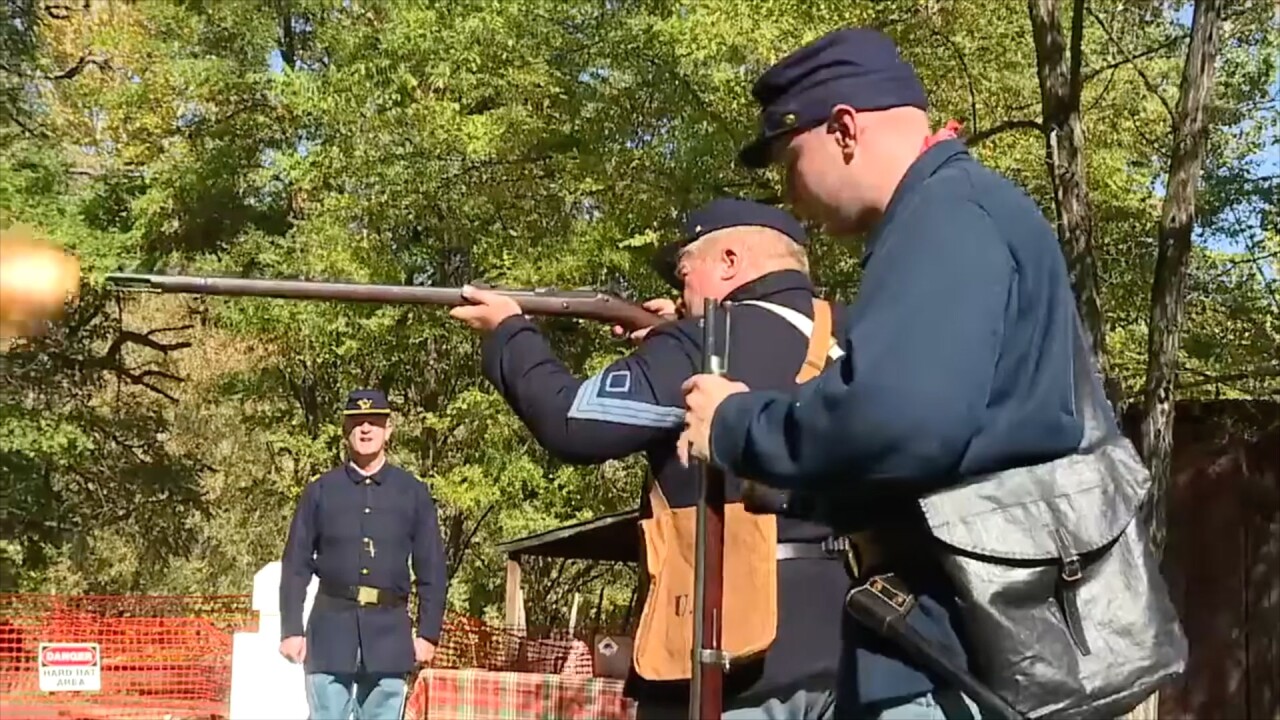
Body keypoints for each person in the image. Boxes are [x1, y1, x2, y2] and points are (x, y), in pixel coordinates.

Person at [678, 26, 1094, 719]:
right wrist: (792, 485)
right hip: (960, 647)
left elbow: (900, 420)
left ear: (843, 128)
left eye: (791, 164)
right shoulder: (963, 210)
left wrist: (735, 423)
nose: (792, 196)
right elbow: (945, 448)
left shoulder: (943, 216)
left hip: (950, 657)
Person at [449, 197, 850, 719]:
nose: (681, 293)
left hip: (732, 651)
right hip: (853, 647)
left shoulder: (698, 344)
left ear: (729, 261)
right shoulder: (856, 331)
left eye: (686, 274)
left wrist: (511, 333)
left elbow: (572, 422)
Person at [279, 389, 449, 720]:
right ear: (346, 431)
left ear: (389, 430)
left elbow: (431, 569)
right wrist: (290, 629)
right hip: (329, 632)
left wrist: (428, 633)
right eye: (357, 422)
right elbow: (295, 564)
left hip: (390, 635)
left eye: (374, 422)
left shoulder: (412, 493)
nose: (366, 429)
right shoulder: (321, 491)